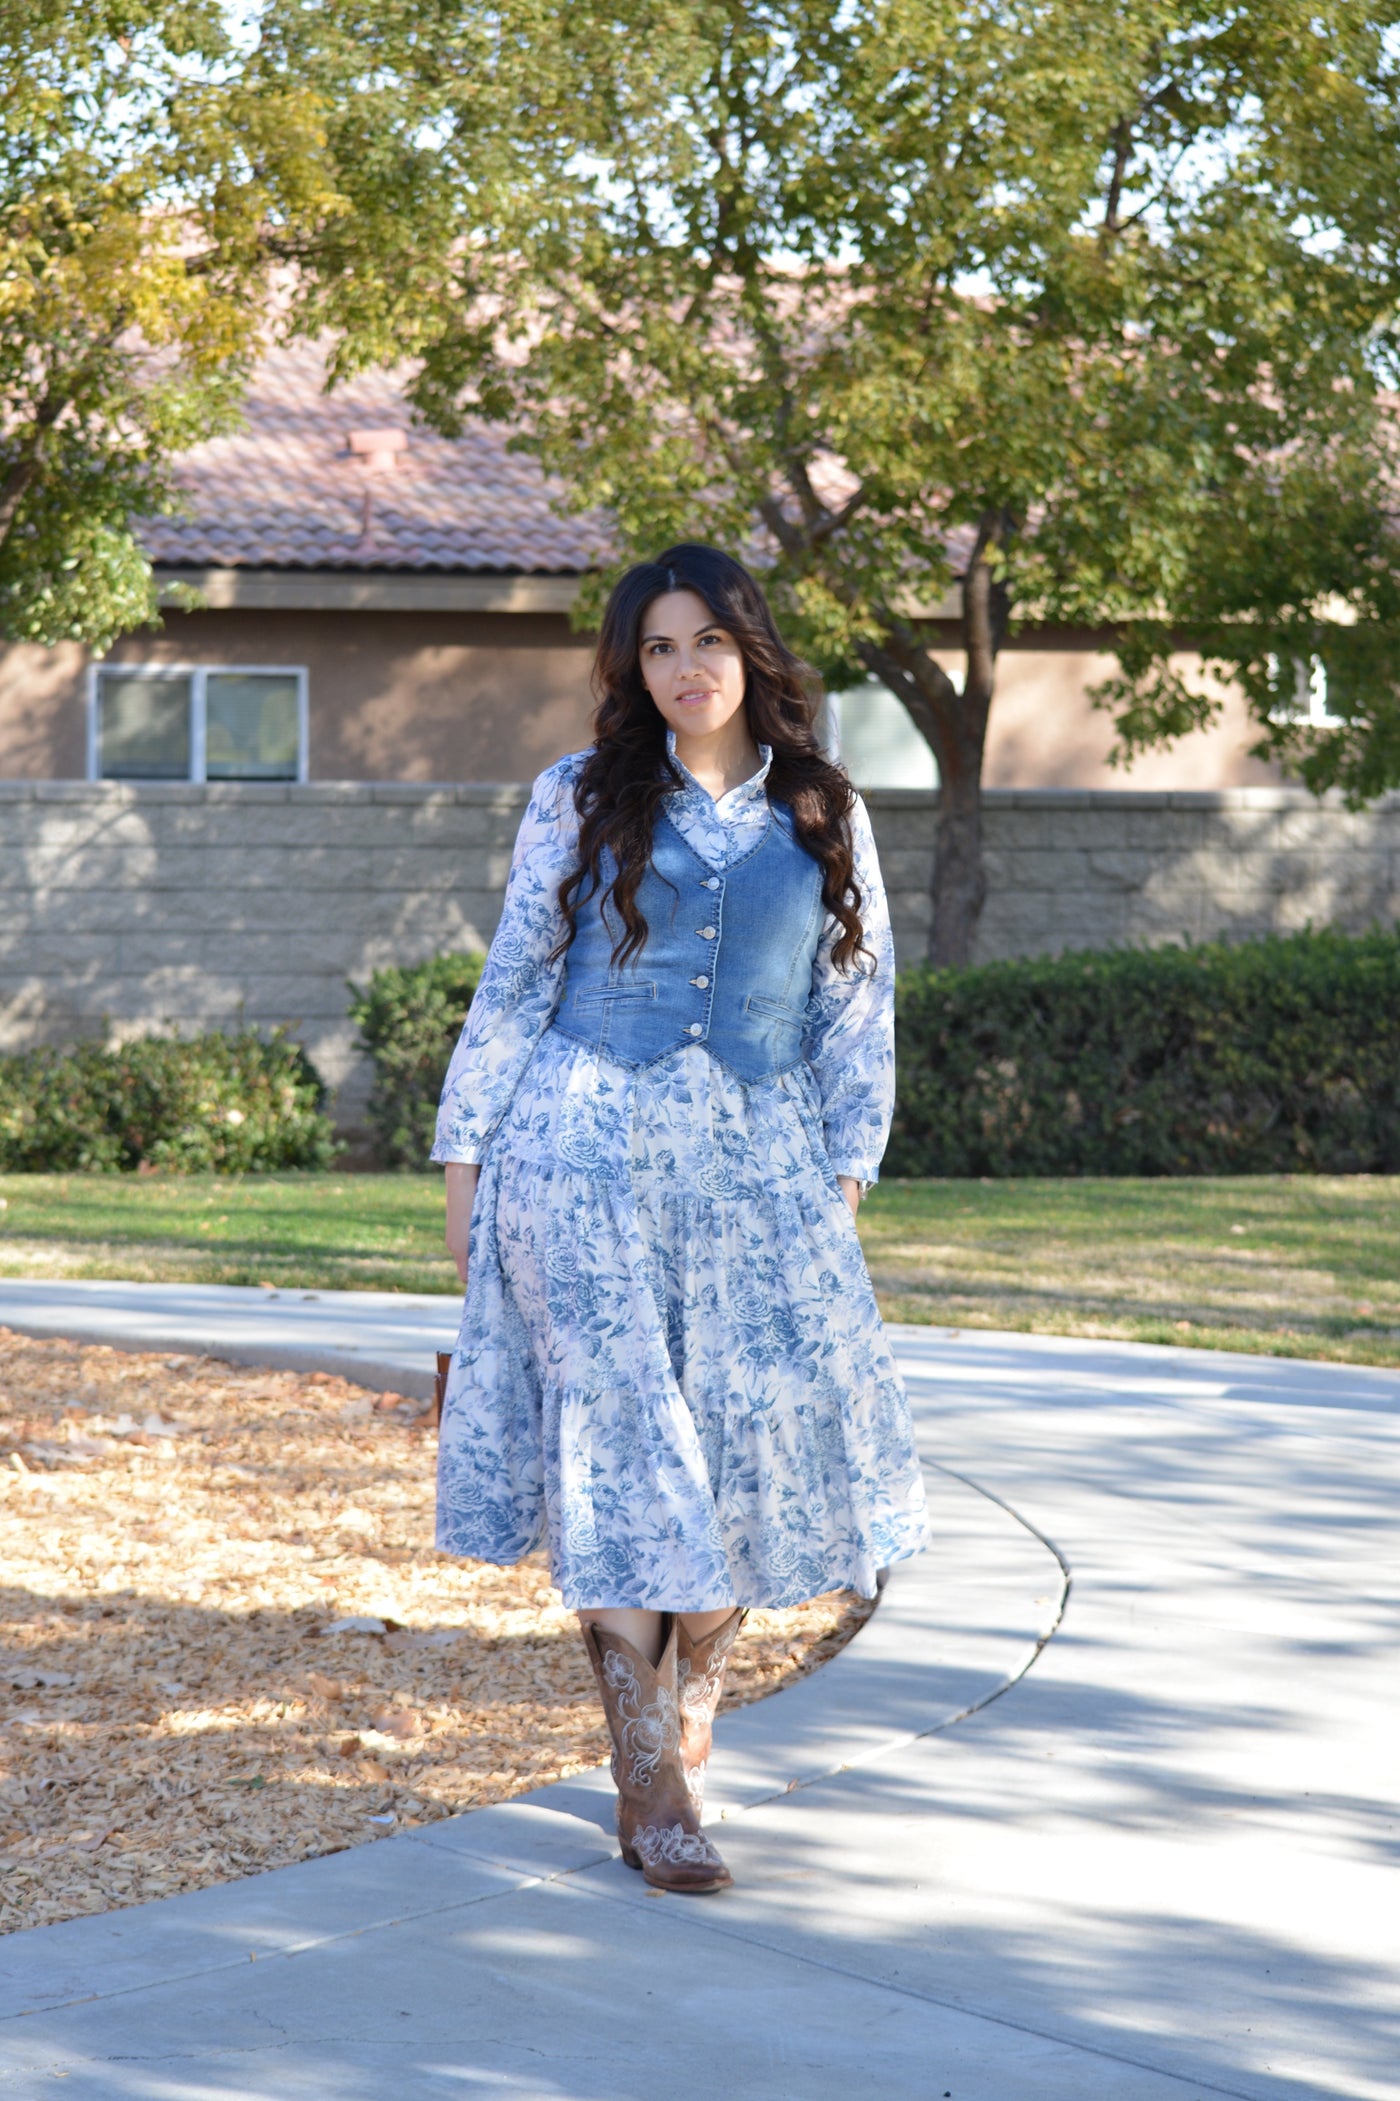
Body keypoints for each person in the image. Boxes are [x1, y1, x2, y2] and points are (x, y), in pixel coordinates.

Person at [432, 543, 929, 1894]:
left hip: (760, 1175)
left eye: (708, 641)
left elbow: (854, 1012)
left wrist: (841, 1182)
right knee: (623, 1452)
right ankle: (647, 1776)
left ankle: (698, 1665)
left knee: (744, 1462)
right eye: (657, 648)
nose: (685, 669)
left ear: (750, 652)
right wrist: (467, 1169)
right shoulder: (581, 794)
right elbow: (515, 986)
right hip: (577, 1156)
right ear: (631, 667)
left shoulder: (825, 809)